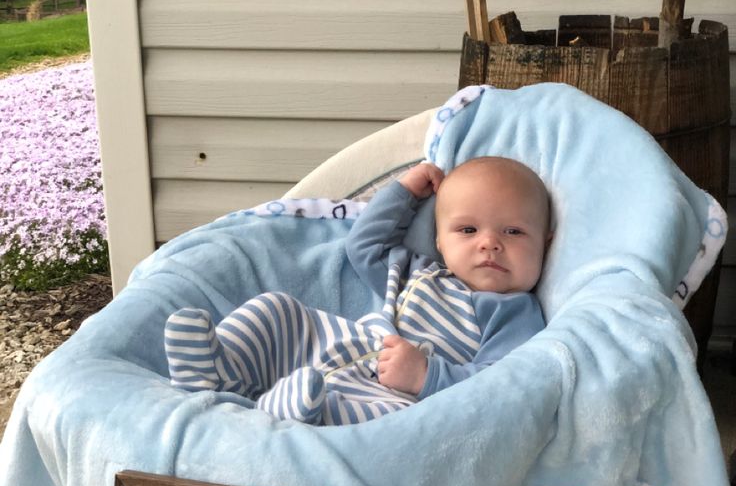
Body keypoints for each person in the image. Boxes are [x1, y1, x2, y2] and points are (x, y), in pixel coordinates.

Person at [164, 157, 552, 425]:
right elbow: (363, 246)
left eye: (513, 232)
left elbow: (501, 388)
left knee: (384, 425)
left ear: (545, 243)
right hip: (348, 343)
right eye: (468, 230)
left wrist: (426, 376)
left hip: (398, 393)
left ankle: (286, 412)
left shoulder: (513, 311)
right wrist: (404, 193)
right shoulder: (419, 271)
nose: (490, 243)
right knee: (278, 312)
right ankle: (221, 369)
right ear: (440, 241)